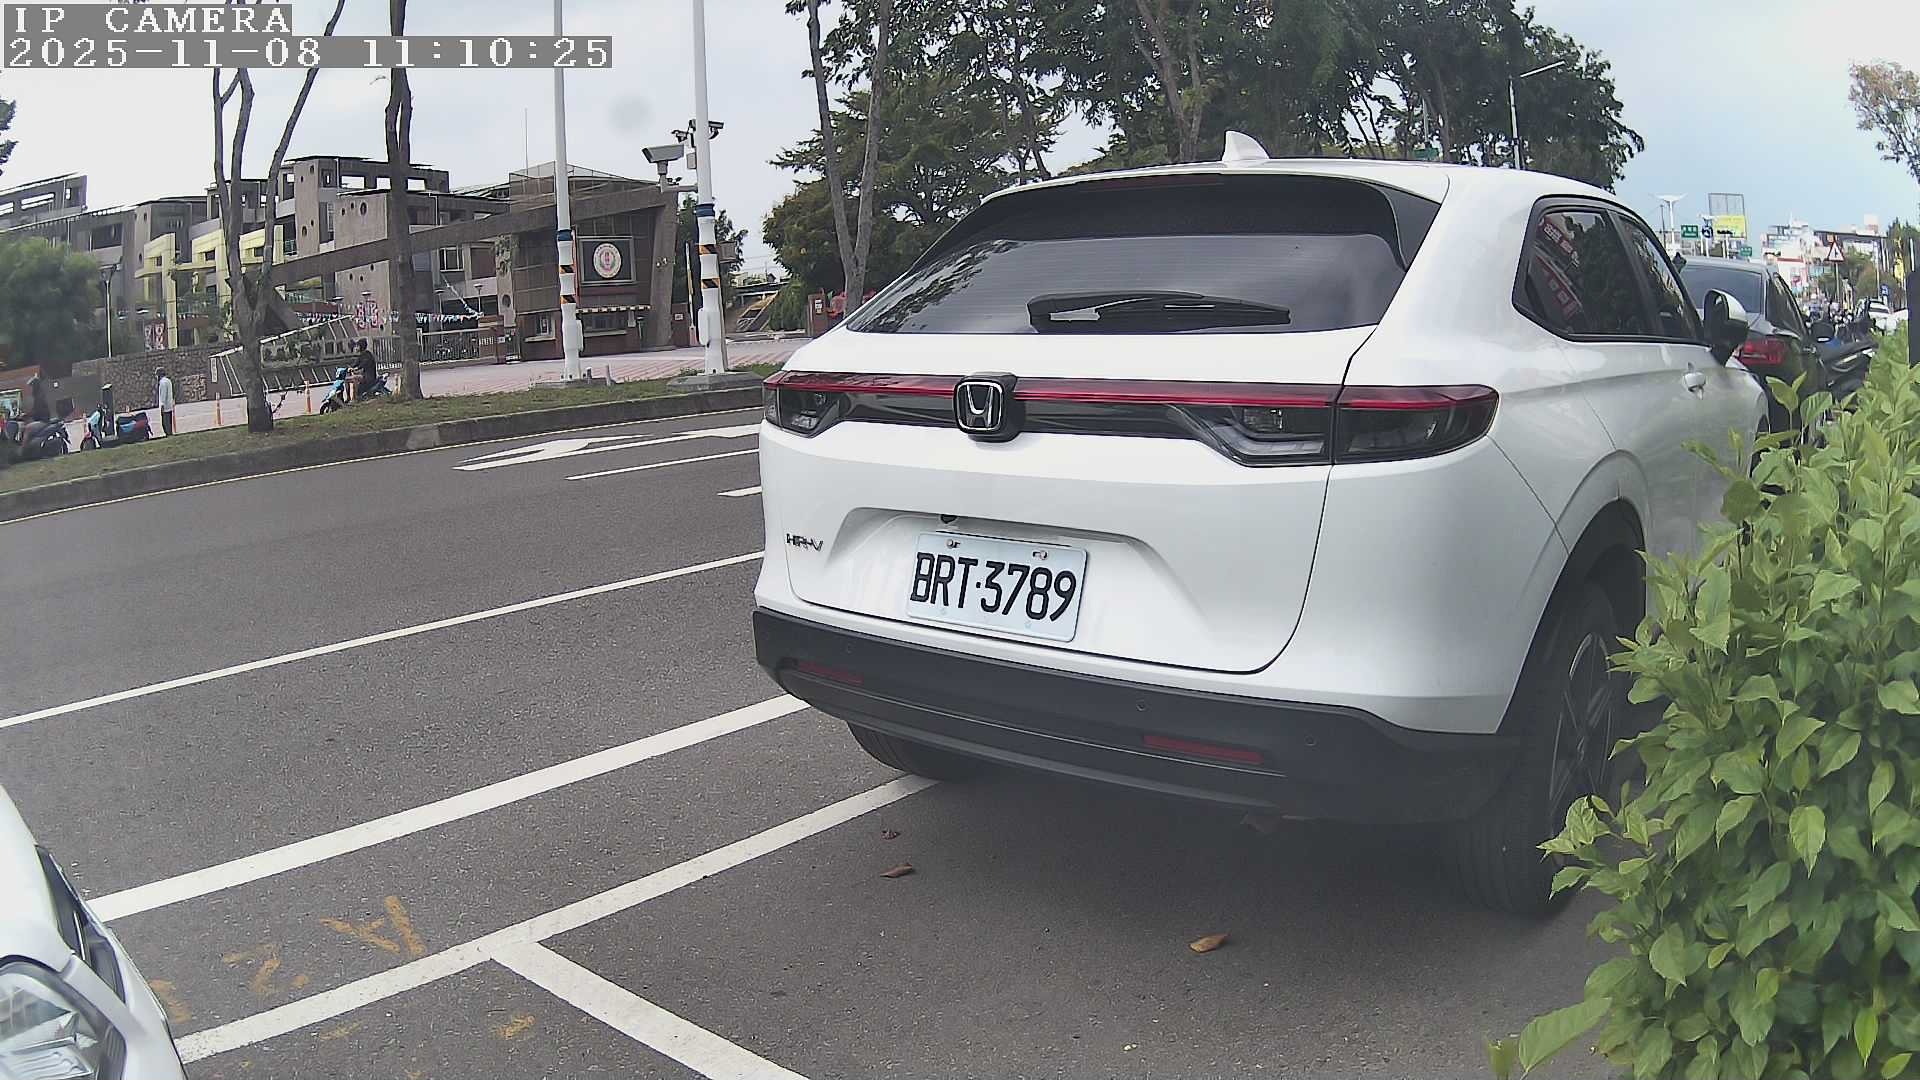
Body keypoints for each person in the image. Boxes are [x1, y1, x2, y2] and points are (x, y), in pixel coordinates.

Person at [155, 368, 176, 437]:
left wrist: (162, 405)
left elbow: (163, 395)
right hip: (169, 404)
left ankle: (168, 434)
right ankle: (170, 433)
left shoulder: (162, 383)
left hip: (165, 406)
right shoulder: (168, 381)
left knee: (165, 422)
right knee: (169, 421)